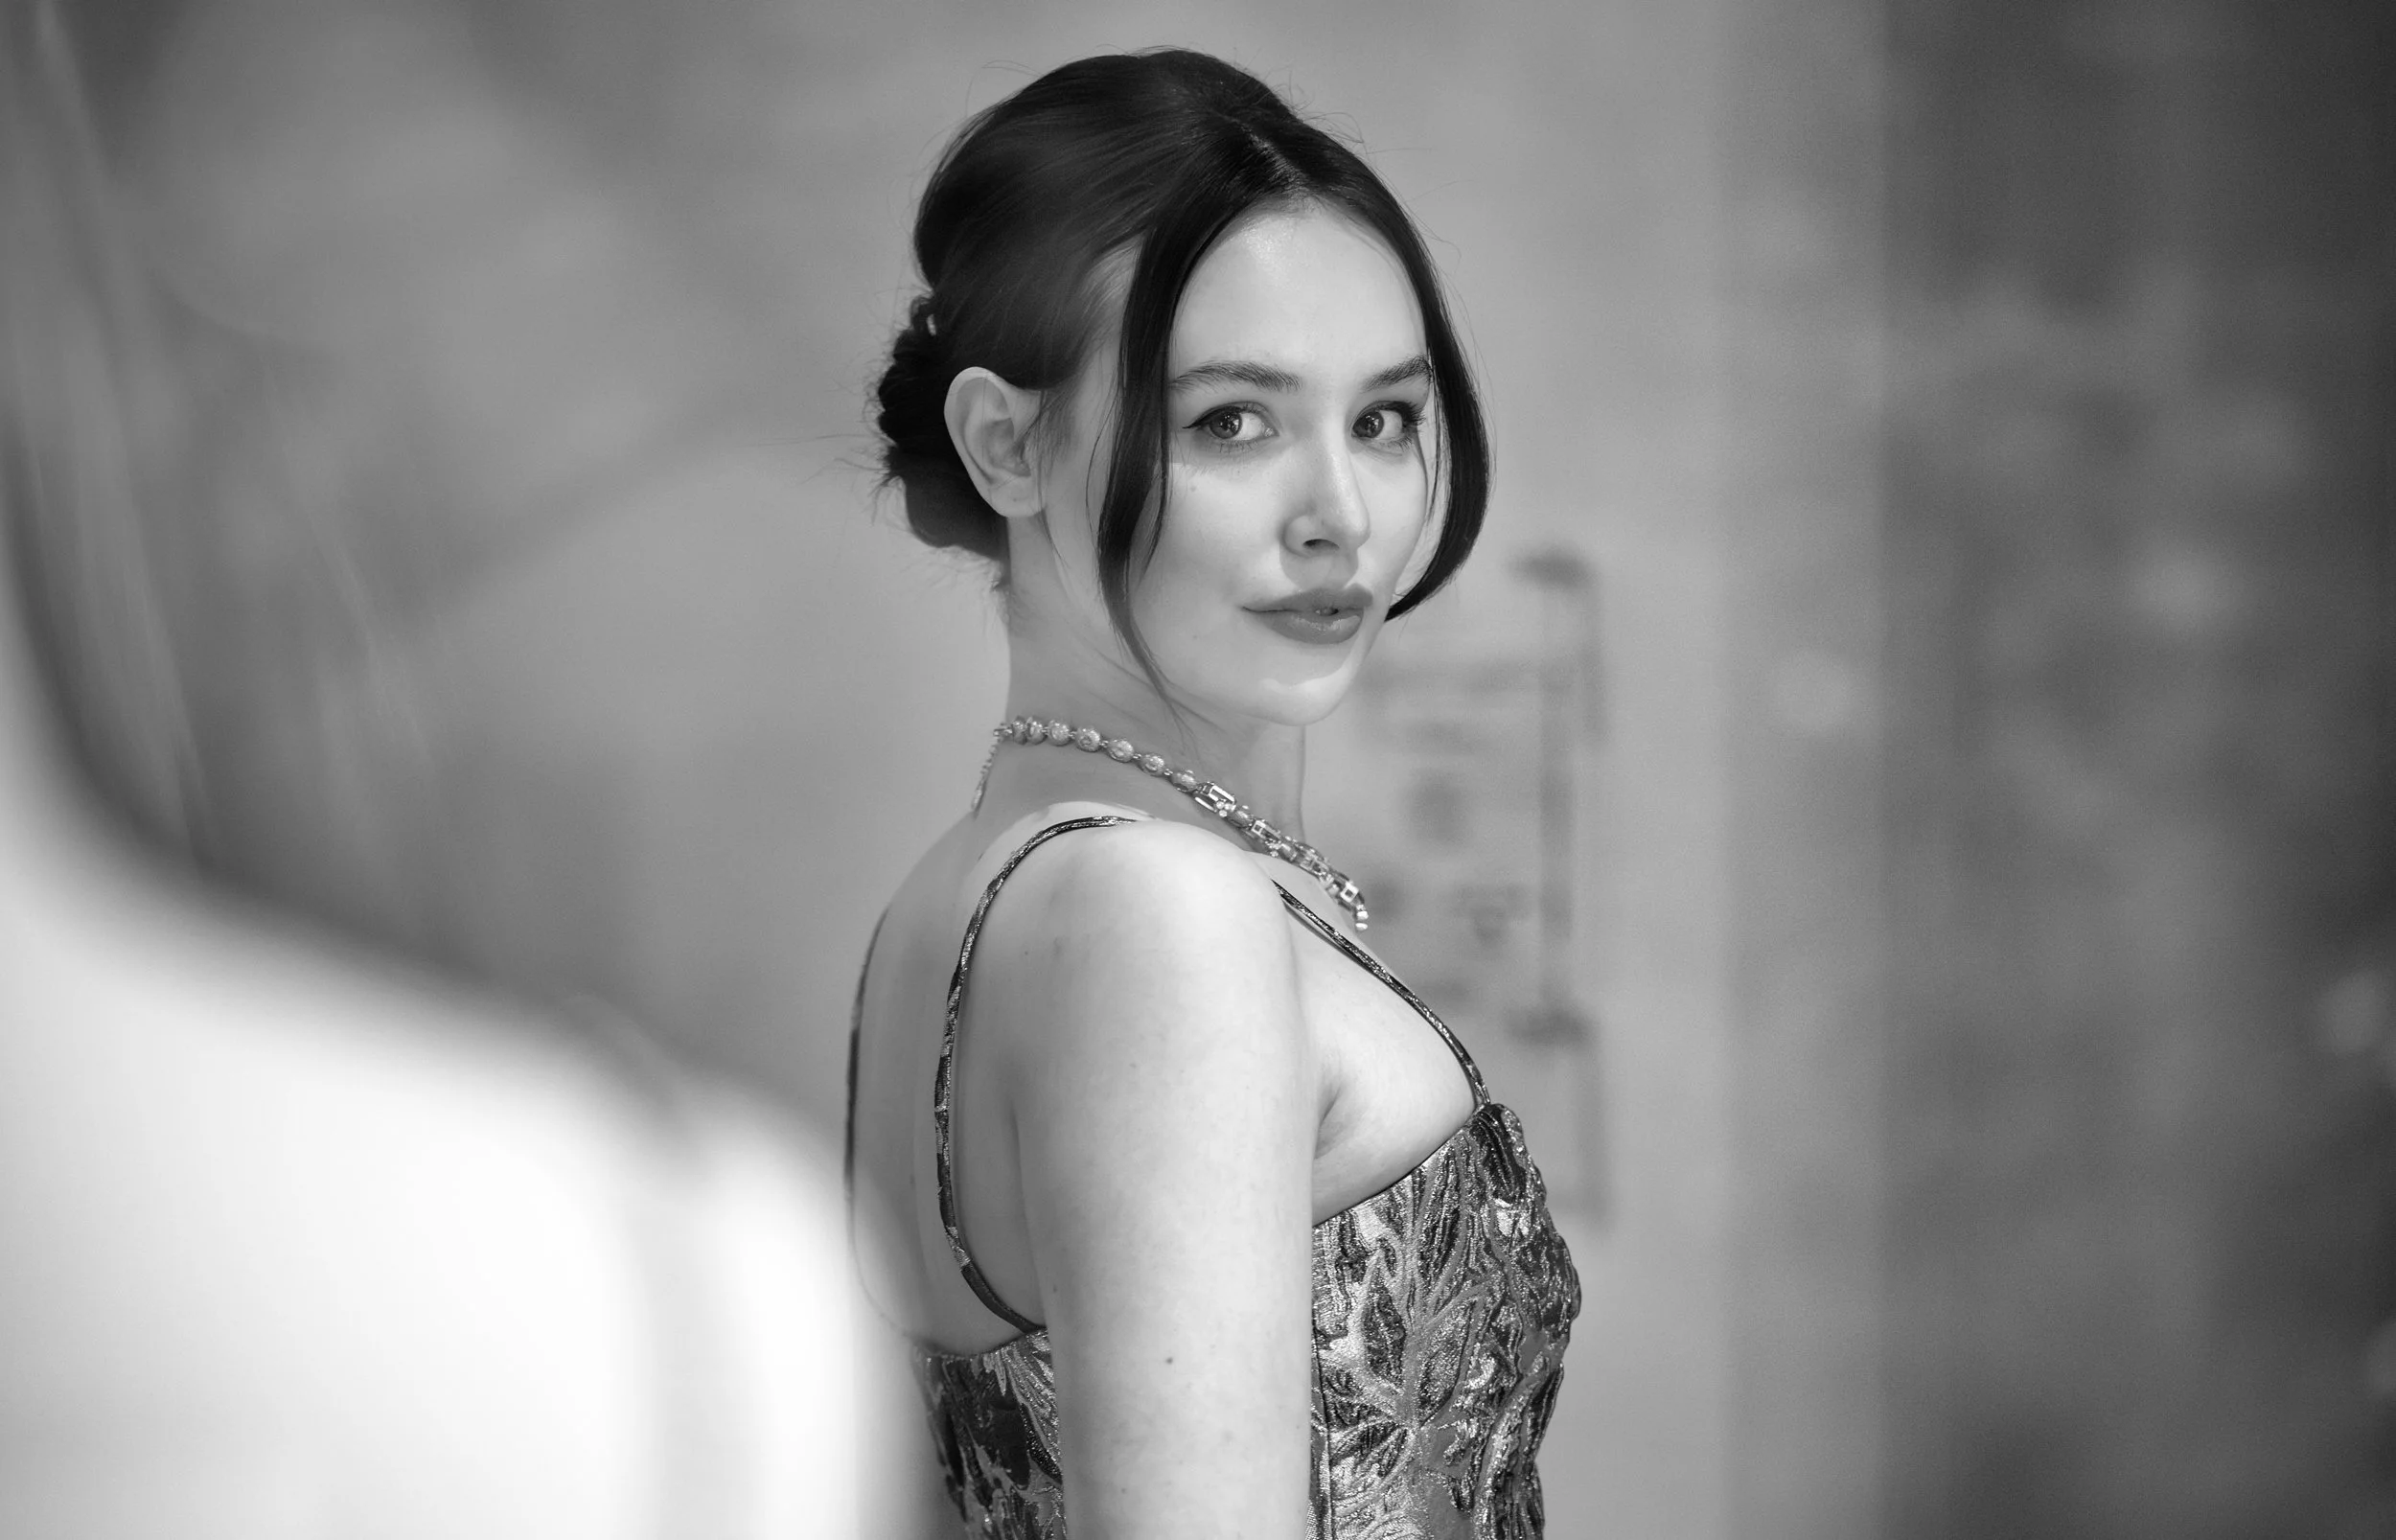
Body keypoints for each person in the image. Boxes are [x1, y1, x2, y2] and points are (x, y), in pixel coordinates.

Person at [844, 49, 1580, 1538]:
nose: (1341, 516)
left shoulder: (978, 890)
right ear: (1005, 442)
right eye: (1234, 422)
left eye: (1382, 418)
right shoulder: (1154, 909)